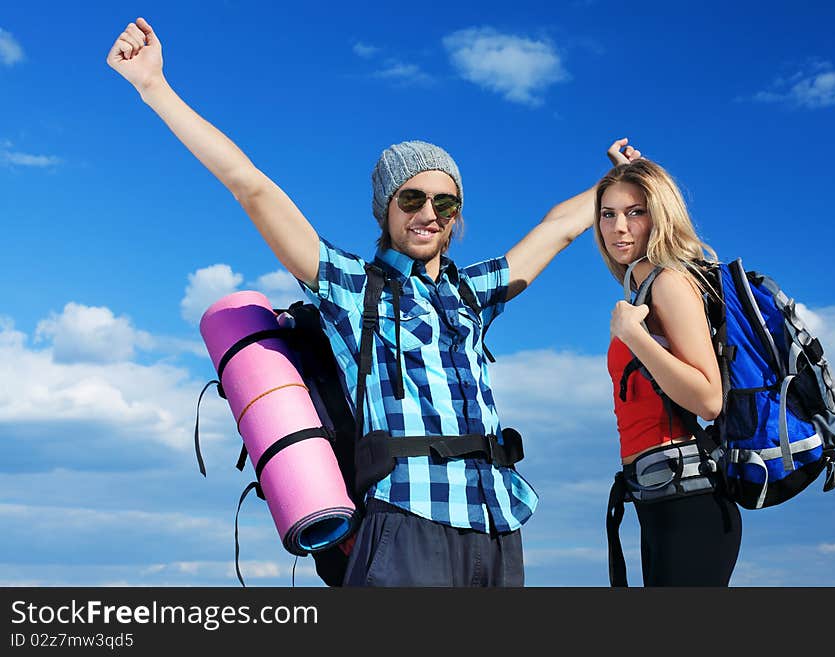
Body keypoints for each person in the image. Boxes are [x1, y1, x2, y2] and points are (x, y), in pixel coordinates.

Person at [106, 17, 639, 587]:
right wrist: (154, 87)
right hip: (406, 521)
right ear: (386, 207)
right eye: (412, 197)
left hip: (498, 520)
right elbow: (250, 184)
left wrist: (615, 181)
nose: (429, 213)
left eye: (445, 203)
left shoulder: (470, 295)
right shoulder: (351, 286)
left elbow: (556, 228)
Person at [597, 158, 742, 586]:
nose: (619, 227)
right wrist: (632, 172)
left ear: (658, 216)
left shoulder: (668, 283)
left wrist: (633, 335)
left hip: (690, 504)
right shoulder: (642, 285)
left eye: (635, 212)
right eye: (609, 214)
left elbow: (708, 399)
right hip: (658, 498)